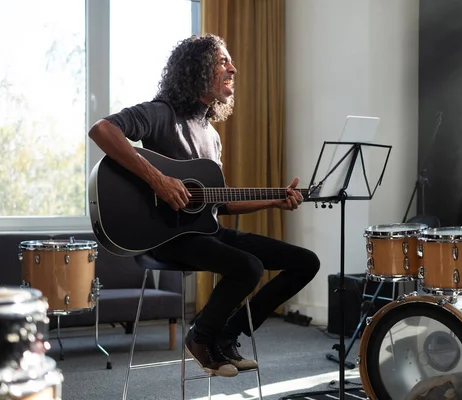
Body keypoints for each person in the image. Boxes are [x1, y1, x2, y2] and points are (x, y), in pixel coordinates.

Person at [88, 34, 321, 378]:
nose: (233, 68)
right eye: (224, 61)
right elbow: (102, 130)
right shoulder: (160, 113)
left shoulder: (211, 135)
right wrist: (159, 180)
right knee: (248, 267)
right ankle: (201, 338)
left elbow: (219, 203)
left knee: (305, 262)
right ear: (198, 67)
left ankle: (227, 333)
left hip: (203, 231)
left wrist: (273, 200)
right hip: (164, 236)